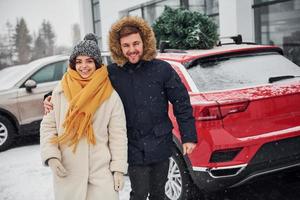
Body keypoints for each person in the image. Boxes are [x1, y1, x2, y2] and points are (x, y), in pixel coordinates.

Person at [44, 16, 197, 200]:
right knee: (139, 193)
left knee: (158, 193)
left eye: (136, 44)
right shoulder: (112, 73)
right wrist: (50, 97)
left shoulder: (162, 69)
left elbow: (181, 102)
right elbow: (85, 84)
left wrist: (188, 136)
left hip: (160, 143)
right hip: (132, 146)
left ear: (145, 42)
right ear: (119, 47)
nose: (132, 50)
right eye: (126, 46)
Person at [40, 34, 128, 200]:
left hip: (101, 175)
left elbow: (118, 135)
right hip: (68, 172)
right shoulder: (60, 91)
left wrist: (118, 168)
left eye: (89, 61)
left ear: (97, 63)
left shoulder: (110, 95)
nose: (84, 66)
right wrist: (51, 156)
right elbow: (48, 127)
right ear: (73, 64)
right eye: (79, 61)